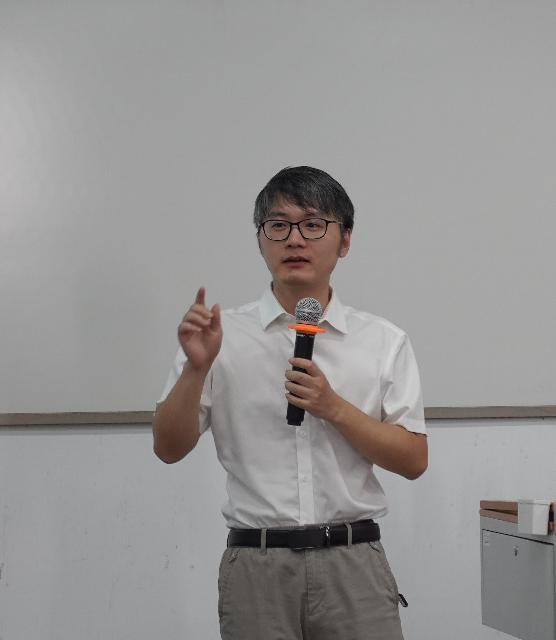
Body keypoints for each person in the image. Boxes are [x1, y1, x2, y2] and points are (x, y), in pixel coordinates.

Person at [153, 166, 428, 640]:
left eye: (313, 224)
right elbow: (168, 448)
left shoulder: (383, 341)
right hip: (256, 565)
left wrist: (334, 408)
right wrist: (196, 369)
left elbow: (413, 460)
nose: (294, 240)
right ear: (260, 241)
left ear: (345, 241)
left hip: (353, 562)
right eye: (278, 225)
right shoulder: (220, 337)